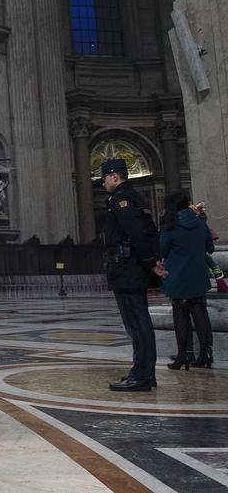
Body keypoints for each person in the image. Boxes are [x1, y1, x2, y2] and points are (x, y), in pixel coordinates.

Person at [100, 158, 164, 391]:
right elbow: (150, 232)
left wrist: (150, 263)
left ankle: (142, 375)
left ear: (115, 176)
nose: (104, 182)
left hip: (127, 269)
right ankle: (145, 372)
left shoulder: (121, 199)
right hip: (133, 268)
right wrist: (152, 260)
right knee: (139, 323)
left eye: (105, 177)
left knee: (137, 325)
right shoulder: (135, 197)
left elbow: (136, 233)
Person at [161, 193, 215, 370]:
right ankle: (206, 354)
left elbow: (162, 249)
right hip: (199, 275)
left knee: (180, 317)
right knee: (201, 314)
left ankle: (184, 355)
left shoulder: (171, 227)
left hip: (177, 277)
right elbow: (210, 248)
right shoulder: (200, 223)